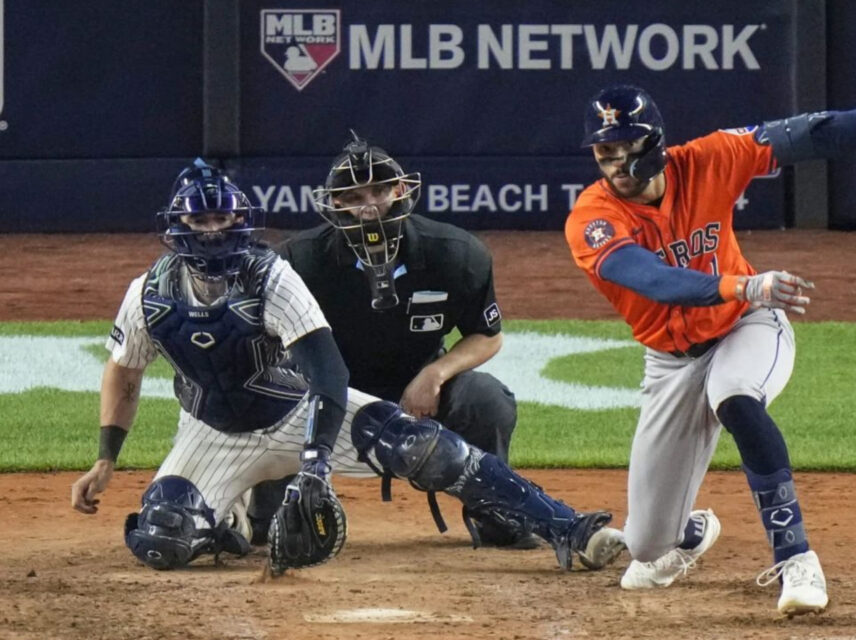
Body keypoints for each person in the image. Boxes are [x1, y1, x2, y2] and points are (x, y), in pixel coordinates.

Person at [69, 159, 626, 574]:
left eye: (224, 217)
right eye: (202, 219)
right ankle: (227, 525)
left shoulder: (273, 275)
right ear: (178, 225)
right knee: (162, 540)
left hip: (295, 410)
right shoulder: (148, 294)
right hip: (212, 432)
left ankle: (566, 527)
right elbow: (124, 370)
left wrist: (313, 464)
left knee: (423, 447)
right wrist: (104, 459)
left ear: (242, 219)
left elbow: (327, 373)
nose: (214, 231)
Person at [564, 83, 856, 616]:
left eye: (627, 146)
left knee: (736, 397)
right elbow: (652, 279)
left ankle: (797, 559)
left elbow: (817, 132)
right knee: (648, 545)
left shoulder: (711, 158)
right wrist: (739, 284)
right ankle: (690, 532)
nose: (618, 162)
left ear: (654, 141)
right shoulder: (592, 218)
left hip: (748, 326)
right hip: (673, 361)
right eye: (606, 151)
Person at [248, 134, 527, 548]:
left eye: (379, 190)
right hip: (326, 389)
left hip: (416, 387)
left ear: (400, 190)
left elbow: (487, 336)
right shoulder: (299, 261)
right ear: (334, 202)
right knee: (274, 391)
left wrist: (436, 373)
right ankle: (271, 516)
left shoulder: (456, 254)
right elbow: (264, 345)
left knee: (486, 398)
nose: (368, 205)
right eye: (353, 195)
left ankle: (494, 512)